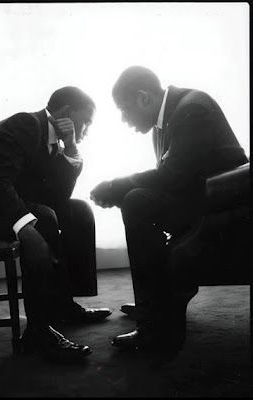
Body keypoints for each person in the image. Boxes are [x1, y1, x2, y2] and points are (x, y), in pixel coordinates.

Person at [0, 86, 112, 362]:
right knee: (43, 218)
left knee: (77, 210)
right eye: (87, 121)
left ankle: (63, 306)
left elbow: (58, 196)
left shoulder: (52, 140)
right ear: (67, 112)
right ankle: (38, 332)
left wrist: (71, 146)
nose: (88, 129)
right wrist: (24, 227)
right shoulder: (26, 124)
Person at [90, 66, 248, 355]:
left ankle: (155, 325)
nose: (125, 120)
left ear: (143, 98)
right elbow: (172, 178)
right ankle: (153, 303)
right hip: (204, 201)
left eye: (124, 111)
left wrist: (115, 187)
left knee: (137, 201)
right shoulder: (171, 116)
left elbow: (172, 176)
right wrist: (119, 190)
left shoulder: (192, 109)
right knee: (137, 197)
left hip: (227, 210)